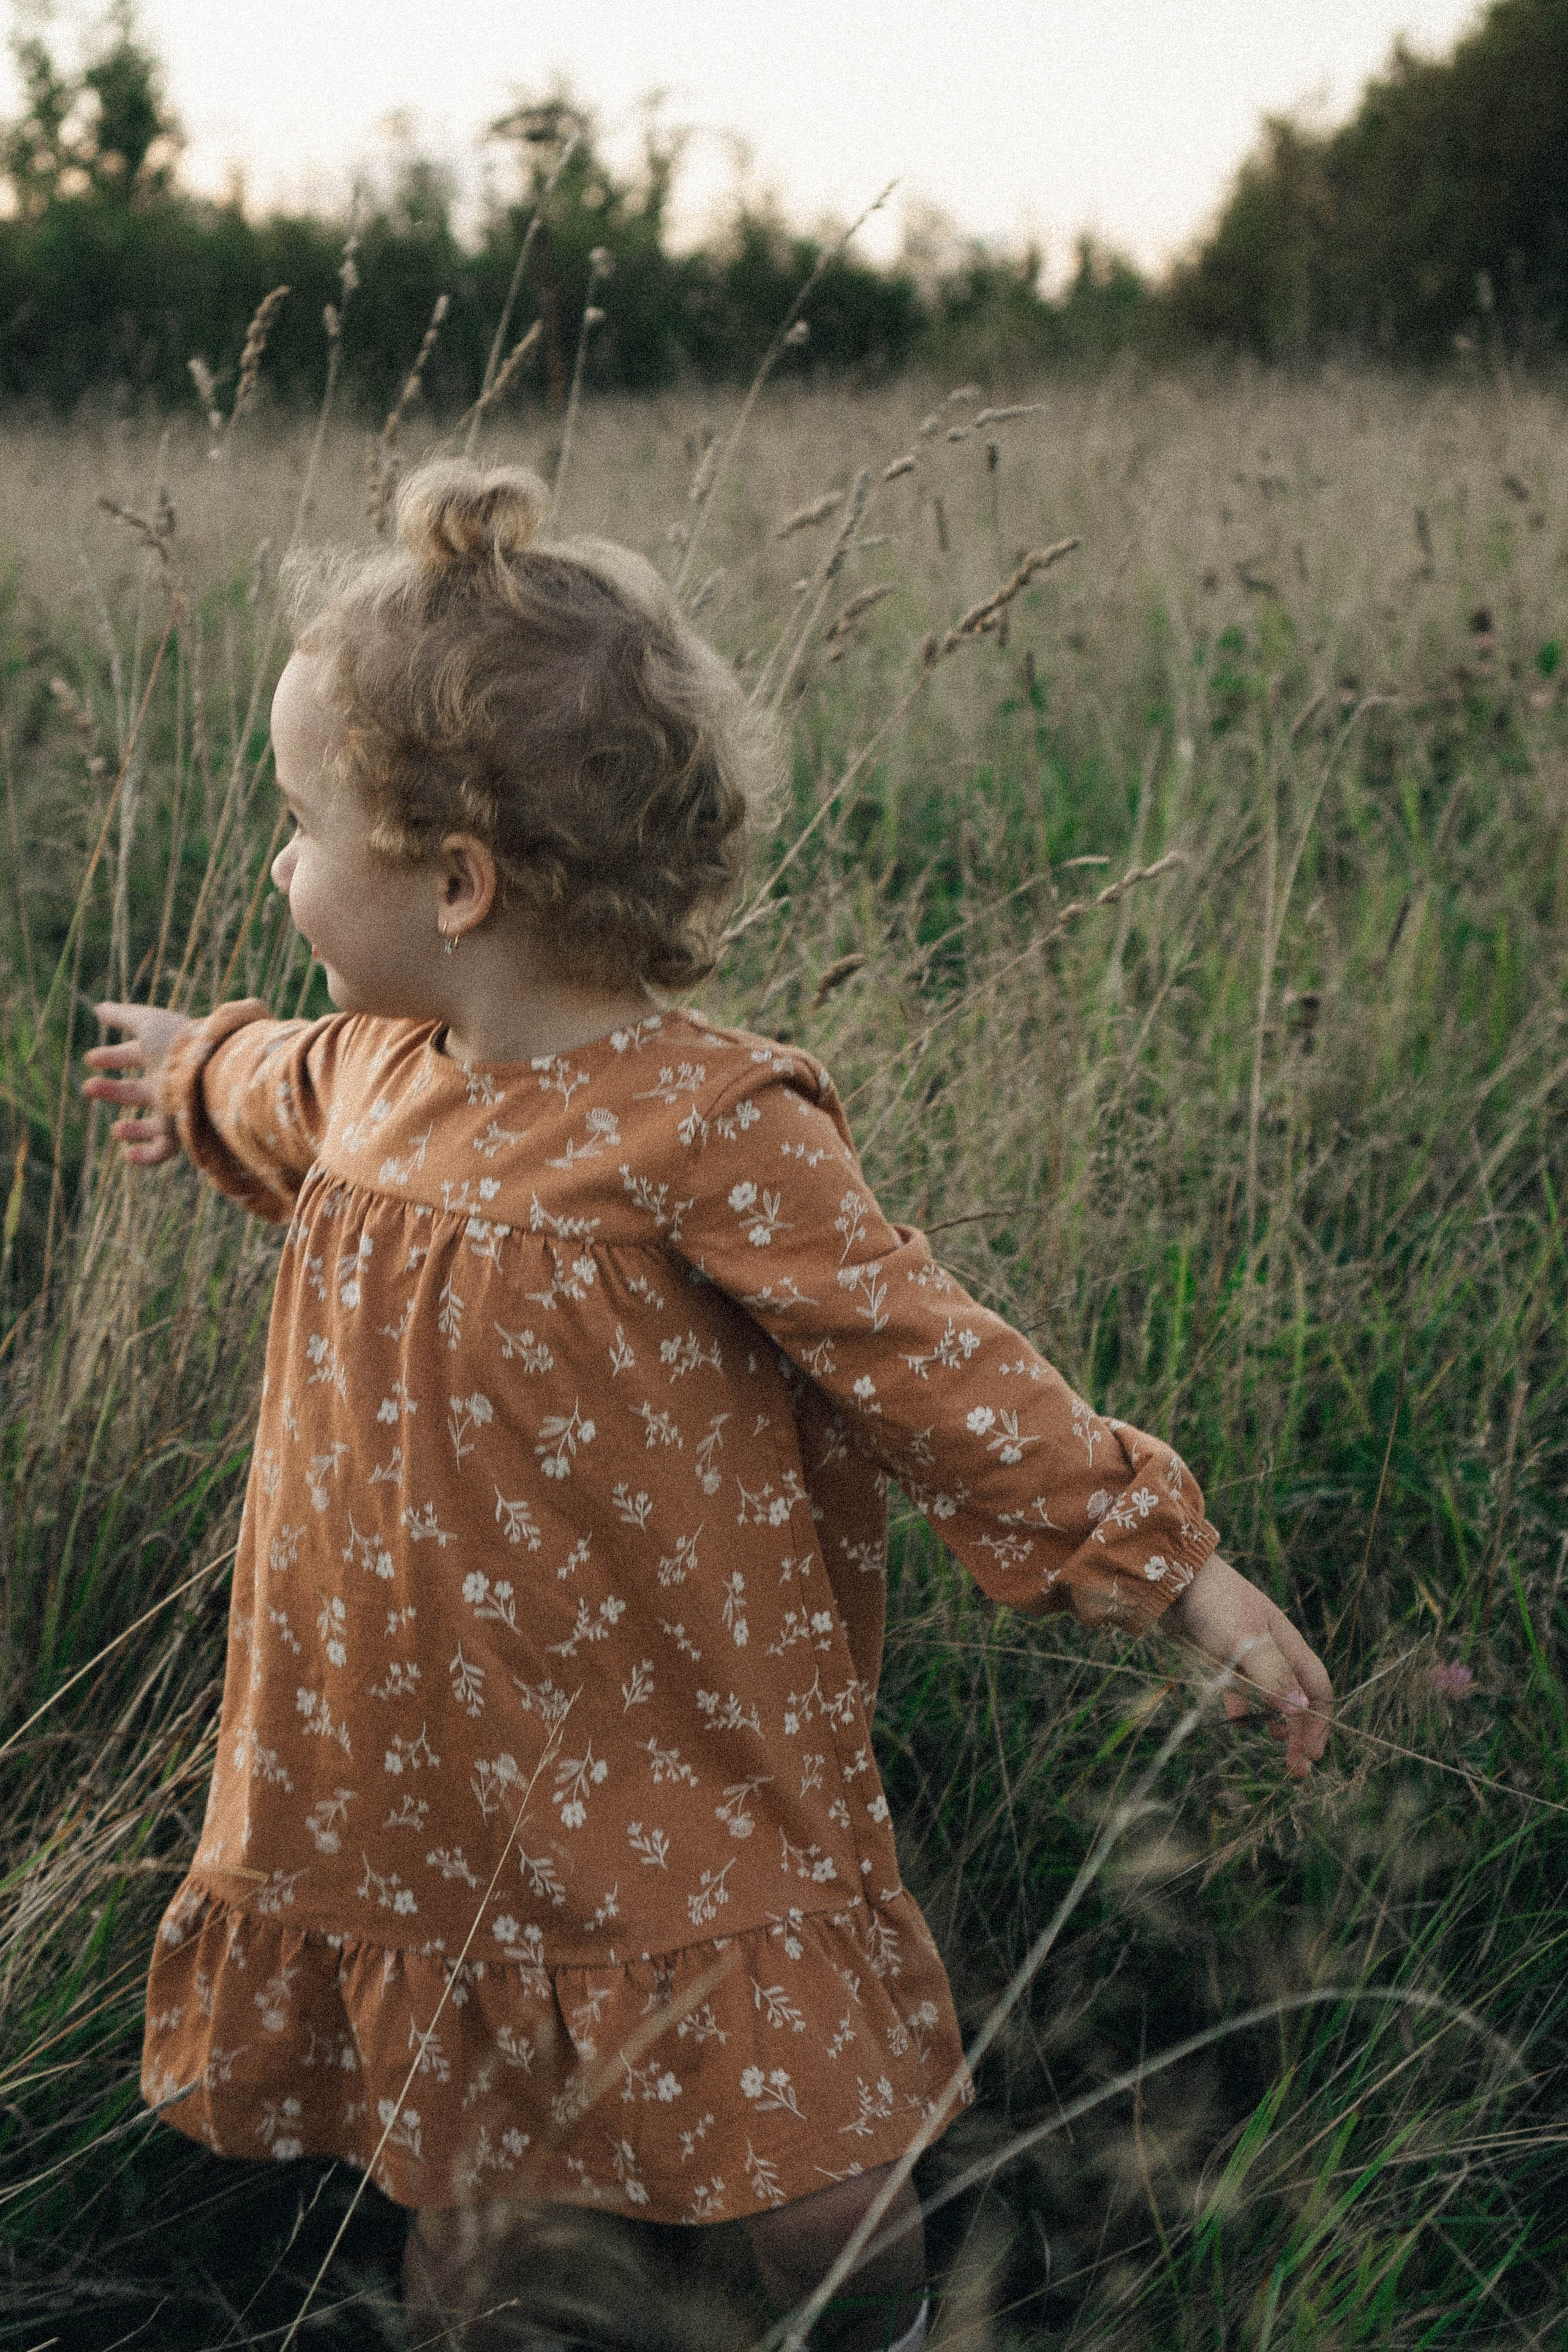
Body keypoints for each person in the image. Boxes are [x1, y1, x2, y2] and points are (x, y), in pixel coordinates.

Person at [85, 461, 1331, 2352]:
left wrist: (1175, 1572)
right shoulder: (377, 1073)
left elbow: (936, 1361)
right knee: (471, 2187)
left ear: (456, 880)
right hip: (418, 1777)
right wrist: (192, 1071)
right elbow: (273, 1087)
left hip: (668, 1760)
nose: (275, 866)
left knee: (816, 2175)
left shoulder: (707, 1129)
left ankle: (879, 2328)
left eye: (296, 826)